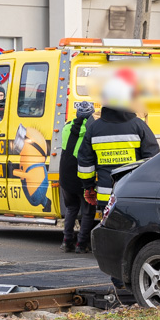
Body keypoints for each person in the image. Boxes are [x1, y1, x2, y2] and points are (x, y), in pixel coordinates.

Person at [77, 77, 160, 211]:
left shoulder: (94, 128)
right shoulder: (139, 126)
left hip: (106, 197)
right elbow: (152, 160)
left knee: (109, 230)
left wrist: (88, 187)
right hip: (133, 195)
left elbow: (85, 164)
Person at [59, 102, 97, 253]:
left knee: (71, 208)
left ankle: (67, 241)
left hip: (65, 175)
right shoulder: (90, 130)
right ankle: (81, 244)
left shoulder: (67, 127)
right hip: (82, 175)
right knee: (88, 211)